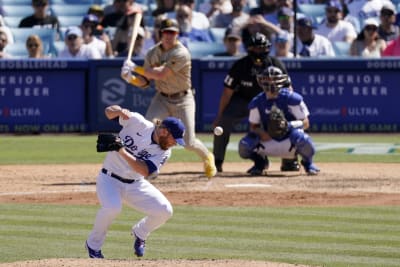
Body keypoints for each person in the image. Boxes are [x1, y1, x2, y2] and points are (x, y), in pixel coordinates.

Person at [120, 18, 217, 179]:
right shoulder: (152, 53)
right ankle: (148, 167)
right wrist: (130, 78)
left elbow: (160, 74)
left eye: (172, 33)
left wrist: (135, 68)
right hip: (162, 98)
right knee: (148, 130)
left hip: (183, 99)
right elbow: (145, 82)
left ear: (177, 34)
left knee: (188, 141)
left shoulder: (181, 52)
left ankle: (208, 156)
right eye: (166, 32)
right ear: (161, 33)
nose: (169, 36)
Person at [85, 105, 185, 258]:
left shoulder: (164, 152)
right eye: (175, 139)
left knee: (165, 210)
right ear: (164, 131)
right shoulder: (138, 122)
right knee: (113, 208)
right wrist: (118, 111)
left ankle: (141, 232)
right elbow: (108, 112)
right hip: (109, 178)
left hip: (135, 184)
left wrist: (121, 150)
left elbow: (144, 171)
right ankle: (93, 246)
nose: (175, 143)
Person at [212, 32, 299, 174]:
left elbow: (288, 90)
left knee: (284, 121)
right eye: (256, 48)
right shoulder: (240, 65)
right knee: (223, 122)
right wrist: (220, 116)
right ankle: (217, 162)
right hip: (243, 101)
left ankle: (289, 160)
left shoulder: (276, 64)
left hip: (268, 102)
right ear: (249, 49)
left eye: (262, 48)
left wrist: (288, 111)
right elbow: (227, 92)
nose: (259, 52)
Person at [238, 66, 320, 176]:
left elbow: (305, 123)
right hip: (268, 140)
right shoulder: (257, 102)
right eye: (267, 80)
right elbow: (253, 126)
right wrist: (263, 133)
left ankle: (308, 163)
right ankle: (260, 163)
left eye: (274, 80)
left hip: (289, 140)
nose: (271, 84)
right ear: (261, 81)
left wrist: (289, 125)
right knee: (244, 145)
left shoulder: (292, 99)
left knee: (303, 139)